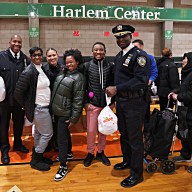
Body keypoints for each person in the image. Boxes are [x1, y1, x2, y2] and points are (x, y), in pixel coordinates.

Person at [106, 24, 150, 188]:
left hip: (134, 103)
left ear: (131, 36)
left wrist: (117, 89)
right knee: (124, 135)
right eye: (118, 37)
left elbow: (141, 81)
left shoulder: (139, 56)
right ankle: (127, 161)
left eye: (124, 36)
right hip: (122, 102)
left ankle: (137, 174)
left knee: (134, 138)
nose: (121, 39)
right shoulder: (119, 56)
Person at [14, 47, 53, 171]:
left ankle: (38, 156)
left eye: (39, 55)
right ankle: (36, 159)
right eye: (34, 55)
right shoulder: (28, 72)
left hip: (44, 107)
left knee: (39, 133)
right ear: (31, 57)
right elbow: (18, 93)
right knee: (47, 134)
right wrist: (27, 106)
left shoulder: (41, 68)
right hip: (39, 109)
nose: (37, 57)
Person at [51, 49, 85, 182]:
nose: (69, 64)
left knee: (62, 140)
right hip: (57, 112)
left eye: (71, 62)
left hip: (65, 114)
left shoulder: (79, 78)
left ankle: (63, 166)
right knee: (63, 137)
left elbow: (78, 100)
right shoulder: (63, 73)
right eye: (67, 62)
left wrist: (74, 118)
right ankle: (68, 154)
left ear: (77, 62)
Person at [83, 42, 115, 167]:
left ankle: (101, 152)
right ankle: (90, 153)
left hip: (106, 105)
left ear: (105, 51)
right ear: (92, 52)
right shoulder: (87, 66)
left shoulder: (110, 66)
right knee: (91, 131)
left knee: (104, 130)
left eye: (101, 50)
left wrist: (112, 102)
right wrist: (86, 103)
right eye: (96, 50)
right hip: (93, 105)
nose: (98, 52)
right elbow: (84, 86)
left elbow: (114, 85)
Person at [0, 35, 30, 165]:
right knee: (3, 126)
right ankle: (4, 149)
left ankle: (17, 144)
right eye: (14, 41)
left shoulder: (25, 60)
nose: (17, 44)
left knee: (18, 125)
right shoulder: (1, 57)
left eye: (19, 42)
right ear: (10, 42)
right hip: (4, 102)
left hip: (19, 101)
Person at [43, 48, 73, 160]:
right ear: (46, 58)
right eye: (49, 56)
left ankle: (68, 151)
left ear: (57, 55)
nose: (52, 58)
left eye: (53, 55)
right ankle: (56, 147)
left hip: (62, 103)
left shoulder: (64, 68)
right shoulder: (43, 69)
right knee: (53, 127)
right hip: (49, 103)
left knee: (63, 128)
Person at [168, 52, 192, 174]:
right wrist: (175, 92)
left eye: (185, 59)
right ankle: (185, 154)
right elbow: (184, 88)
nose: (183, 61)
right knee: (185, 134)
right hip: (186, 111)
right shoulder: (187, 73)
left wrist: (179, 97)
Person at [132, 39, 158, 138]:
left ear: (142, 47)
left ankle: (147, 133)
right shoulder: (130, 58)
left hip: (145, 90)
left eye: (136, 47)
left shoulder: (149, 58)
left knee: (145, 113)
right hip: (133, 91)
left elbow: (154, 72)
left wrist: (150, 81)